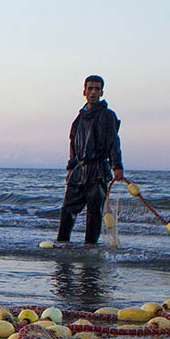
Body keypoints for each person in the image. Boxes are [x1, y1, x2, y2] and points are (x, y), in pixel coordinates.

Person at [57, 75, 124, 245]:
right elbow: (73, 147)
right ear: (84, 92)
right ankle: (62, 244)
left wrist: (117, 166)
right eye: (90, 88)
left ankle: (90, 247)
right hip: (79, 171)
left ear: (102, 92)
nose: (93, 91)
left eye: (97, 88)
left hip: (98, 169)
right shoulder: (78, 120)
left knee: (94, 213)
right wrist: (71, 168)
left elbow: (113, 141)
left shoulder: (107, 115)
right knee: (67, 210)